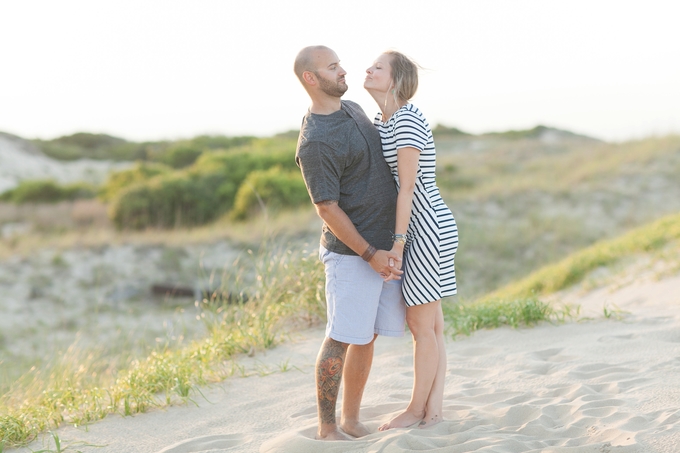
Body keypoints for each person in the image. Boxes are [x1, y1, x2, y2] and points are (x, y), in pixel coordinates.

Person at [293, 45, 406, 441]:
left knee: (365, 335)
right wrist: (370, 253)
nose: (343, 71)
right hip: (351, 256)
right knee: (341, 337)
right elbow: (326, 208)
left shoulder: (354, 108)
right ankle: (327, 428)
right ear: (311, 78)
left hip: (379, 249)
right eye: (332, 67)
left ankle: (352, 418)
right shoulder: (316, 141)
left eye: (340, 64)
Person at [364, 50, 459, 430]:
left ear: (396, 79)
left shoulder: (405, 120)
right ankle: (434, 410)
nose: (367, 70)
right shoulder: (382, 119)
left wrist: (398, 244)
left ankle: (416, 409)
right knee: (432, 327)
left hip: (425, 228)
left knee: (421, 327)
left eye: (377, 67)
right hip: (418, 227)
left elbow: (407, 188)